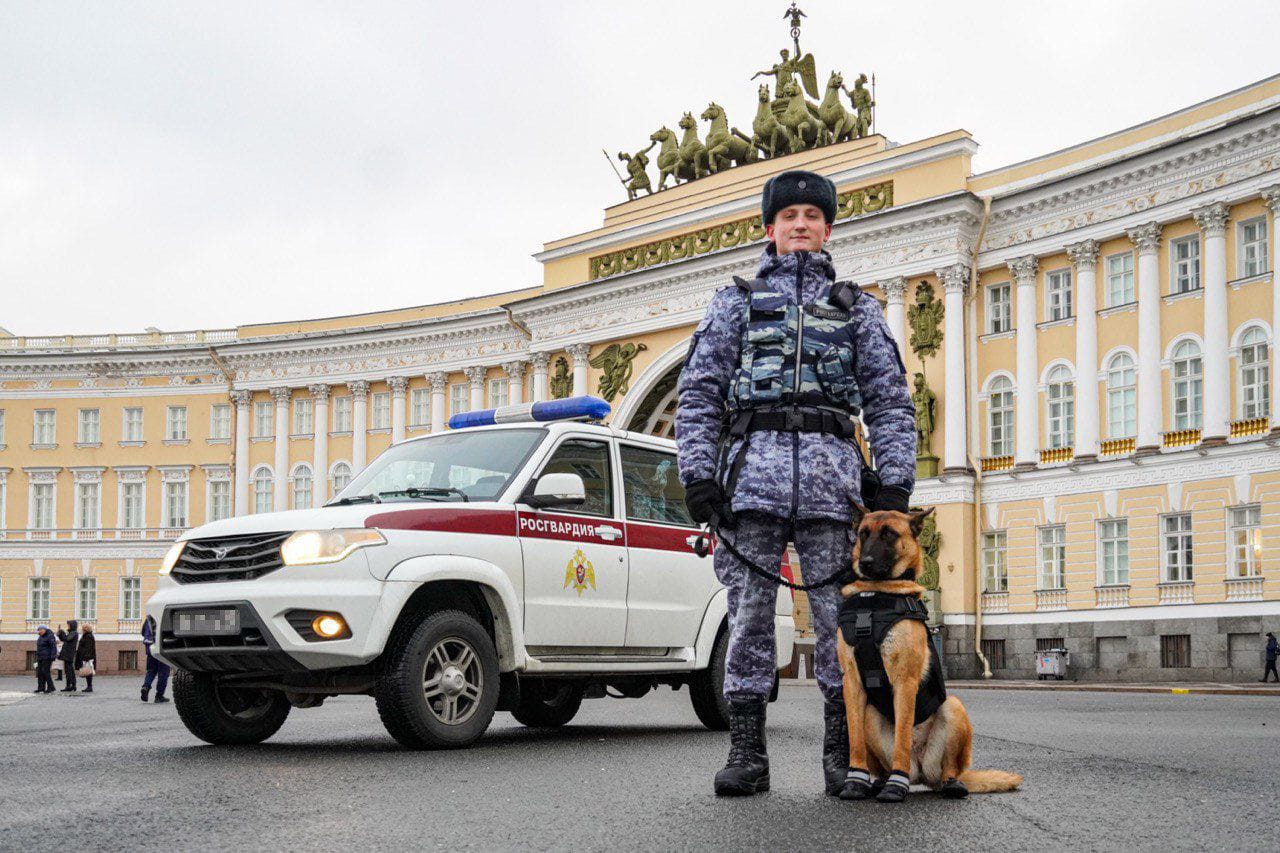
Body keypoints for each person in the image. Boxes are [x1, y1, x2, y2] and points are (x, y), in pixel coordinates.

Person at [676, 169, 916, 797]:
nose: (801, 224)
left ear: (828, 228)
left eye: (813, 215)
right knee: (749, 617)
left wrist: (892, 486)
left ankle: (846, 753)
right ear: (770, 228)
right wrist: (699, 476)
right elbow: (698, 394)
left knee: (843, 624)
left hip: (833, 489)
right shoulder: (737, 301)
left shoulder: (857, 307)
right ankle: (747, 751)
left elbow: (889, 401)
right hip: (748, 482)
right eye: (790, 216)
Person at [140, 615, 170, 704]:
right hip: (162, 649)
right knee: (163, 673)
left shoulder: (148, 618)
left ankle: (146, 686)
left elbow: (142, 632)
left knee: (151, 670)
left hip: (150, 648)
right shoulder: (165, 616)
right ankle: (159, 696)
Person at [57, 620, 80, 693]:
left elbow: (67, 639)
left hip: (69, 654)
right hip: (67, 653)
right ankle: (72, 685)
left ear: (72, 625)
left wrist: (62, 632)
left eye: (69, 625)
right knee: (69, 670)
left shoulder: (74, 633)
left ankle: (70, 685)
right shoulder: (71, 633)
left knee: (69, 671)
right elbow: (64, 639)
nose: (68, 626)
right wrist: (60, 633)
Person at [33, 625, 58, 694]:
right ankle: (41, 688)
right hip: (40, 657)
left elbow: (53, 647)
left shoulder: (50, 636)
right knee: (40, 673)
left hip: (47, 657)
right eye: (39, 630)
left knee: (45, 672)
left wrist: (53, 656)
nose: (40, 631)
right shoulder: (41, 636)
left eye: (41, 630)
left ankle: (51, 687)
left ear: (45, 629)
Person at [76, 623, 97, 693]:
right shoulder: (86, 635)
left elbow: (89, 648)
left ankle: (89, 687)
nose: (82, 630)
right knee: (88, 672)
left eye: (83, 628)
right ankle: (89, 686)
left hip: (87, 657)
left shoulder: (88, 636)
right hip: (86, 656)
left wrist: (86, 657)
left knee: (88, 672)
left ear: (85, 629)